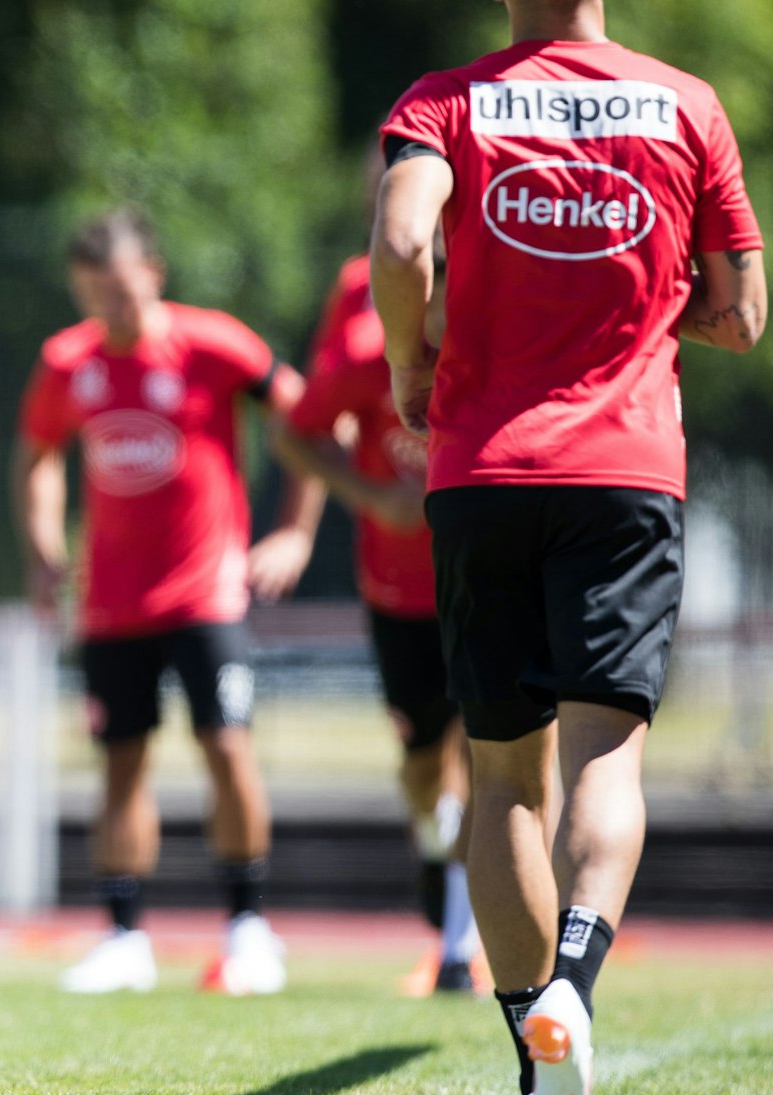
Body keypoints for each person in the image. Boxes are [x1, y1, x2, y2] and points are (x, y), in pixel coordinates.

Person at [375, 0, 765, 1095]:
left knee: (499, 775)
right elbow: (741, 313)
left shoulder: (443, 100)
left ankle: (533, 1058)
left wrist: (410, 365)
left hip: (480, 474)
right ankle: (575, 990)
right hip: (624, 474)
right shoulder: (686, 104)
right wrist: (640, 303)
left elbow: (403, 244)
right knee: (605, 765)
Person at [13, 208, 324, 998]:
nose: (109, 309)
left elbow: (308, 420)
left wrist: (293, 530)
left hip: (206, 593)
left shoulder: (215, 343)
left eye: (120, 290)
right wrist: (46, 551)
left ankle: (249, 929)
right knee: (121, 763)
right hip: (114, 601)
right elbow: (37, 454)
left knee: (226, 746)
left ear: (153, 273)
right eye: (92, 294)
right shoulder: (67, 361)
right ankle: (124, 938)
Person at [273, 150, 480, 996]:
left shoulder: (494, 287)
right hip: (395, 583)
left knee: (496, 751)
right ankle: (441, 860)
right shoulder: (358, 306)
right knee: (426, 767)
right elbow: (306, 425)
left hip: (487, 566)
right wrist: (376, 499)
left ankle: (465, 940)